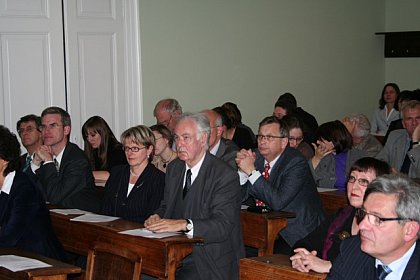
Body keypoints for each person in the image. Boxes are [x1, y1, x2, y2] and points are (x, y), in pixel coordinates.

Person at [145, 112, 244, 280]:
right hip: (174, 252)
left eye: (186, 138)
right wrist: (157, 216)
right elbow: (166, 204)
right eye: (177, 138)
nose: (179, 144)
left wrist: (184, 225)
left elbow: (223, 225)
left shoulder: (224, 175)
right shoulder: (175, 168)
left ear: (203, 139)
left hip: (208, 258)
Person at [236, 116, 325, 253]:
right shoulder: (256, 158)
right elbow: (238, 198)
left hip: (295, 233)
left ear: (284, 142)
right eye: (260, 136)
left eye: (269, 137)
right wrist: (242, 172)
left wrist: (251, 171)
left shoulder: (296, 162)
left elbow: (278, 202)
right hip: (264, 228)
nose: (263, 141)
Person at [290, 157, 391, 273]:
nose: (354, 187)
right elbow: (306, 242)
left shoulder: (385, 223)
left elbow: (375, 266)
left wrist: (330, 266)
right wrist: (301, 257)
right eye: (352, 179)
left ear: (381, 189)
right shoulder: (342, 216)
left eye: (363, 182)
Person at [327, 174, 420, 280]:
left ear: (409, 230)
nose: (362, 225)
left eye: (377, 219)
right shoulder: (353, 250)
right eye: (363, 214)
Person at [0, 125, 66, 261]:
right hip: (13, 256)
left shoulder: (24, 189)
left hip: (41, 261)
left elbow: (10, 236)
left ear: (4, 160)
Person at [30, 106, 101, 212]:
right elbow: (25, 190)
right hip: (55, 217)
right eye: (43, 127)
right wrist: (35, 162)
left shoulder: (77, 160)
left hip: (81, 221)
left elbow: (55, 196)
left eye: (53, 126)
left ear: (66, 129)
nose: (46, 131)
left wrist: (48, 162)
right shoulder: (44, 155)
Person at [102, 126, 165, 224]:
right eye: (127, 148)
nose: (129, 153)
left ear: (149, 150)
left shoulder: (158, 179)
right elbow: (105, 209)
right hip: (112, 231)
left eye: (135, 148)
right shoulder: (117, 173)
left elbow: (152, 216)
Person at [310, 120, 366, 190]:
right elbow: (307, 181)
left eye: (321, 140)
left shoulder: (359, 156)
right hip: (327, 198)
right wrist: (316, 159)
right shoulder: (321, 156)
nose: (318, 142)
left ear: (333, 140)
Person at [376, 100, 420, 178]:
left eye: (418, 118)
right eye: (409, 119)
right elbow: (380, 160)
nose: (414, 123)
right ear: (403, 123)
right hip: (394, 185)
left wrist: (415, 141)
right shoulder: (395, 136)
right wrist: (389, 170)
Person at [82, 116, 127, 182]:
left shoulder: (118, 151)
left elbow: (109, 175)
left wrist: (82, 174)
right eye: (86, 136)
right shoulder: (93, 152)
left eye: (93, 135)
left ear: (103, 133)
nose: (89, 139)